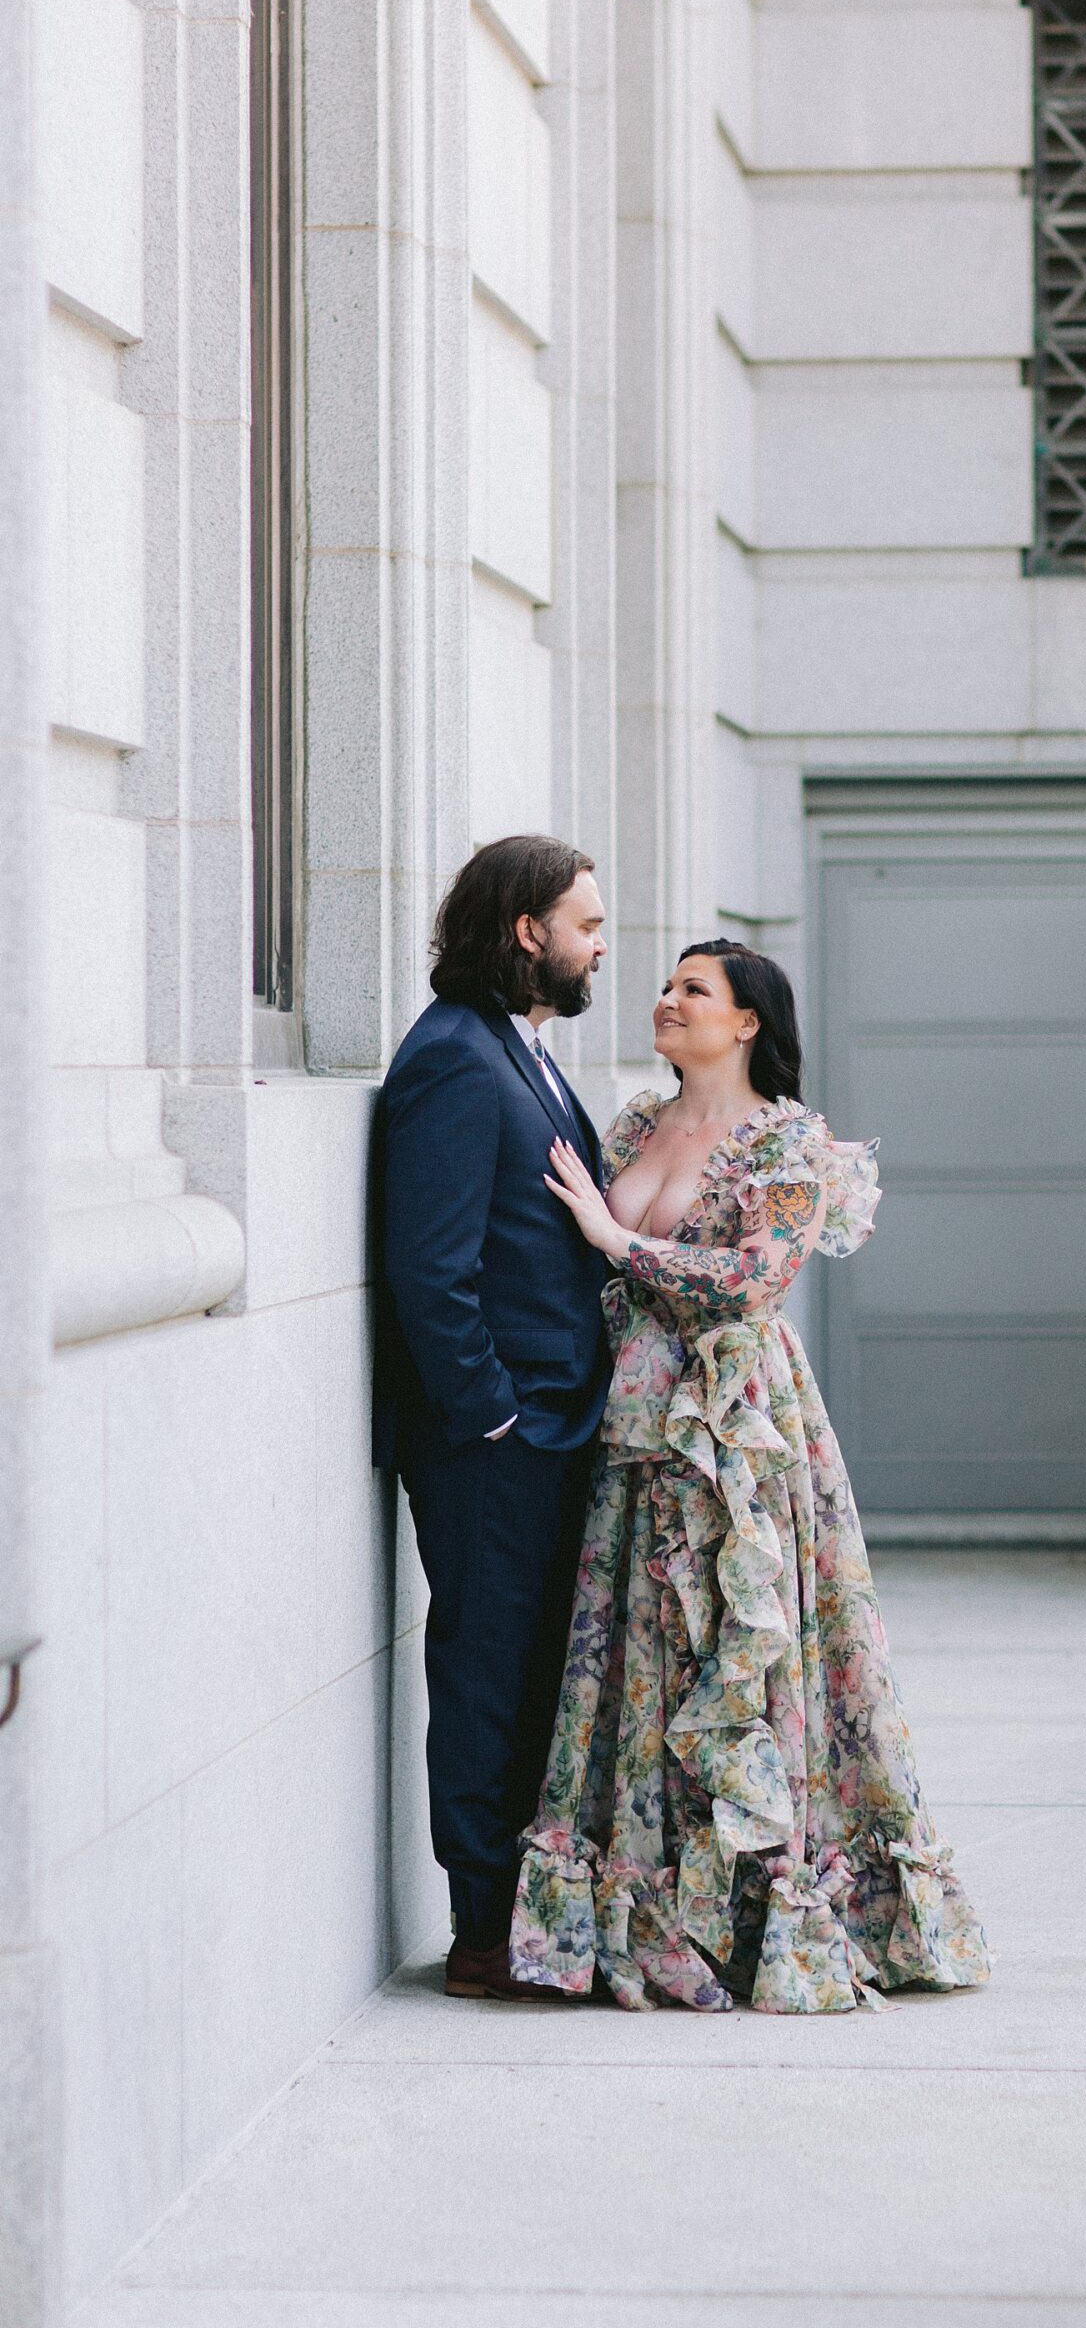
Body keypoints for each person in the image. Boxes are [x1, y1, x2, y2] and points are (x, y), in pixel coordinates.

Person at [510, 937, 992, 2012]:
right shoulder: (634, 1121)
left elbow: (751, 1280)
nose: (667, 1000)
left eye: (695, 990)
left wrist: (608, 1234)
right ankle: (656, 1913)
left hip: (735, 1430)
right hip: (634, 1427)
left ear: (747, 1024)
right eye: (668, 984)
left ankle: (763, 1905)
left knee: (737, 1649)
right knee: (643, 1655)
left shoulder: (789, 1143)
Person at [372, 835, 612, 2003]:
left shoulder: (528, 1052)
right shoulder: (457, 1060)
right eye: (586, 925)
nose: (600, 946)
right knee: (486, 1671)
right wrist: (495, 1419)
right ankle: (481, 1932)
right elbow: (432, 1266)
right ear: (527, 932)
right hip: (495, 1446)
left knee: (532, 1676)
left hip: (555, 1426)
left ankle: (528, 1918)